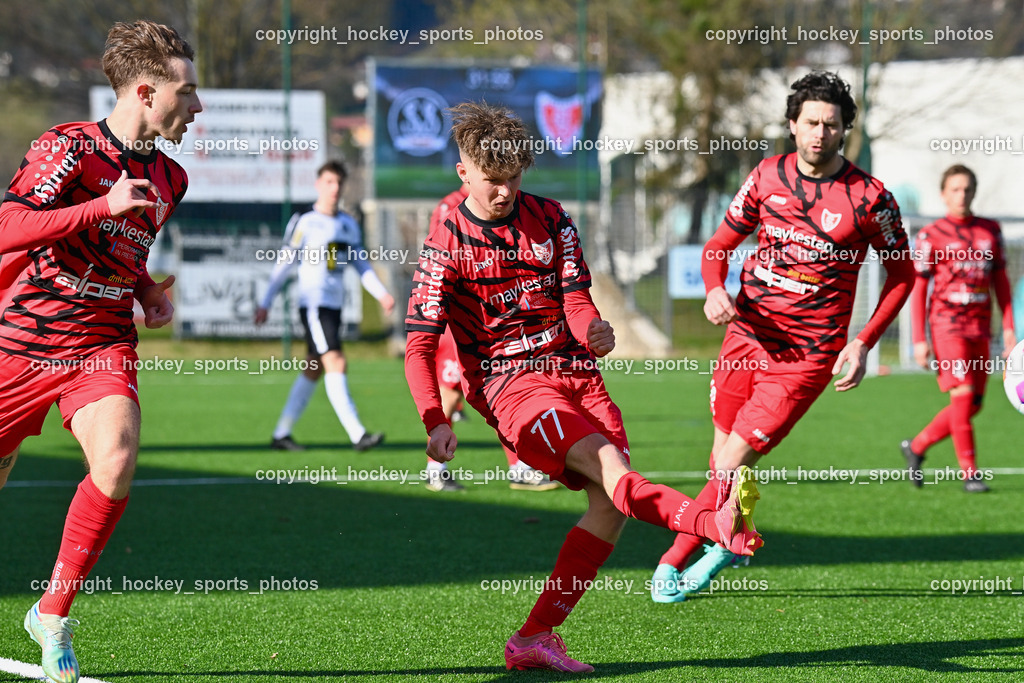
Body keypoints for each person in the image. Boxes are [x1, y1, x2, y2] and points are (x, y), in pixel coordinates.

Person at [405, 101, 763, 673]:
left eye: (514, 178)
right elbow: (420, 345)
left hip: (577, 376)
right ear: (464, 173)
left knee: (609, 506)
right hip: (513, 388)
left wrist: (589, 329)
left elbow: (574, 297)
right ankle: (712, 525)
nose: (504, 192)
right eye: (493, 180)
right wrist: (435, 419)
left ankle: (534, 637)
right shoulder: (446, 242)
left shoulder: (551, 217)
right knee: (615, 473)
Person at [651, 71, 916, 604]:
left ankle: (671, 560)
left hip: (805, 356)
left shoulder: (870, 198)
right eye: (811, 122)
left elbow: (903, 274)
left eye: (832, 125)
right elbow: (717, 246)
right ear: (793, 125)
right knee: (721, 463)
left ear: (846, 131)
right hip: (744, 337)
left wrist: (863, 342)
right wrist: (711, 290)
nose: (820, 133)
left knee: (730, 462)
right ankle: (732, 535)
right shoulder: (767, 177)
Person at [0, 20, 201, 683]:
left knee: (115, 458)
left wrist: (145, 289)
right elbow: (10, 226)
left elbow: (122, 247)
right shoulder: (69, 147)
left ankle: (52, 612)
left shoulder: (171, 177)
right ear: (146, 91)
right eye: (188, 92)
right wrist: (99, 204)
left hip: (100, 340)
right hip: (21, 341)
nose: (197, 108)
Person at [423, 184, 557, 492]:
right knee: (452, 392)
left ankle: (520, 466)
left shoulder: (507, 206)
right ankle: (435, 468)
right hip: (461, 322)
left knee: (506, 390)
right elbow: (439, 260)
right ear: (467, 171)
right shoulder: (451, 207)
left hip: (496, 321)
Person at [255, 160, 393, 453]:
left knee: (313, 368)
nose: (334, 188)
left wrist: (382, 294)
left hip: (334, 306)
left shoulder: (347, 224)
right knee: (336, 361)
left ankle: (282, 434)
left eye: (339, 183)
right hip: (314, 305)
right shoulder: (305, 221)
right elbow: (285, 262)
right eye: (329, 182)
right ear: (318, 184)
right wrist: (266, 301)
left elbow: (360, 264)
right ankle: (358, 435)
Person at [901, 165, 1014, 493]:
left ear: (974, 192)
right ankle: (970, 474)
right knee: (962, 394)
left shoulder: (990, 230)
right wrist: (919, 339)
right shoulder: (931, 234)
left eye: (966, 189)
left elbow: (1001, 281)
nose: (961, 195)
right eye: (955, 189)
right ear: (943, 194)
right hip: (946, 326)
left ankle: (917, 446)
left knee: (973, 404)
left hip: (980, 327)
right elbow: (919, 288)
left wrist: (1008, 327)